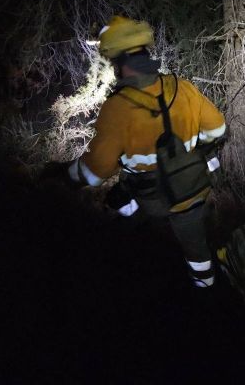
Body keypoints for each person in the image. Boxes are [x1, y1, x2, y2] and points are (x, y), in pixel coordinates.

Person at [68, 16, 226, 288]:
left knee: (121, 205)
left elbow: (96, 173)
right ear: (145, 54)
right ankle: (207, 292)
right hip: (193, 190)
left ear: (118, 64)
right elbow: (218, 129)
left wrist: (67, 173)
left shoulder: (117, 108)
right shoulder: (183, 87)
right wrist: (186, 147)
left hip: (152, 200)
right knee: (198, 253)